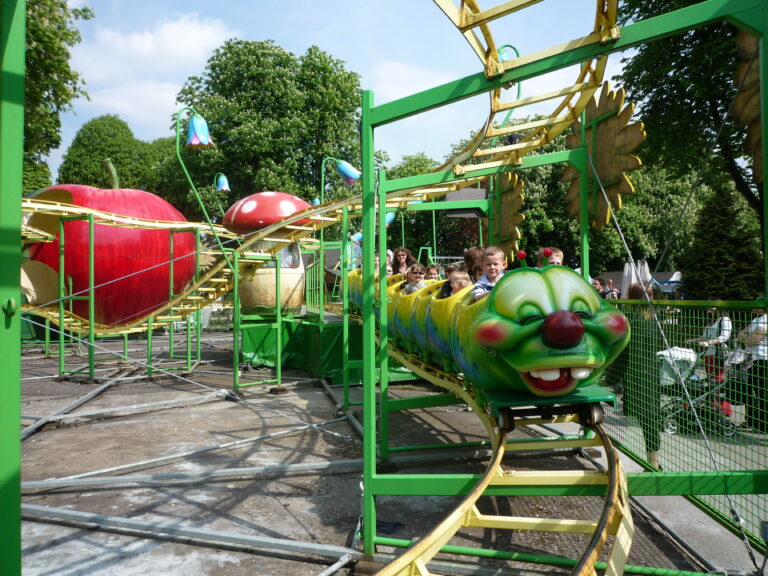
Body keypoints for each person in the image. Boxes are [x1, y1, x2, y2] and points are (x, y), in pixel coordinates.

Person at [621, 282, 664, 470]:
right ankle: (653, 462)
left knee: (648, 418)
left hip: (637, 373)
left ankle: (653, 463)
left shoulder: (630, 316)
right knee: (649, 418)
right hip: (647, 372)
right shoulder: (653, 316)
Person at [735, 302, 767, 432]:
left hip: (763, 360)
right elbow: (740, 335)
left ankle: (763, 424)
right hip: (751, 359)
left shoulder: (765, 320)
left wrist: (745, 337)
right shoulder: (756, 320)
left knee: (762, 393)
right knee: (750, 391)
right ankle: (751, 420)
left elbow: (750, 340)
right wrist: (746, 337)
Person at [685, 300, 732, 383]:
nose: (707, 307)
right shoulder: (712, 320)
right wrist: (692, 340)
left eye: (710, 305)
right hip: (708, 353)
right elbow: (704, 337)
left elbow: (724, 337)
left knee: (717, 377)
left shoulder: (725, 319)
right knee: (710, 377)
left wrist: (709, 343)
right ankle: (712, 395)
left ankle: (717, 395)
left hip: (719, 353)